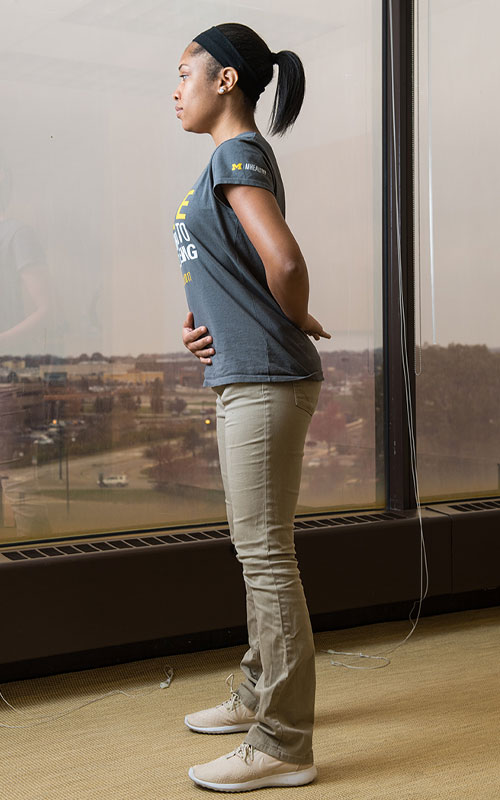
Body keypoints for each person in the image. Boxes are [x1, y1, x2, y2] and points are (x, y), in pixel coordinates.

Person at [172, 23, 331, 792]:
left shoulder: (235, 156)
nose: (175, 90)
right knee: (257, 552)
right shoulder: (226, 162)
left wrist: (290, 317)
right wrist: (203, 325)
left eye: (185, 73)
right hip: (244, 371)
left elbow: (286, 260)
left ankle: (282, 741)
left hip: (266, 377)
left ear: (226, 80)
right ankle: (254, 694)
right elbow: (235, 267)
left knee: (266, 557)